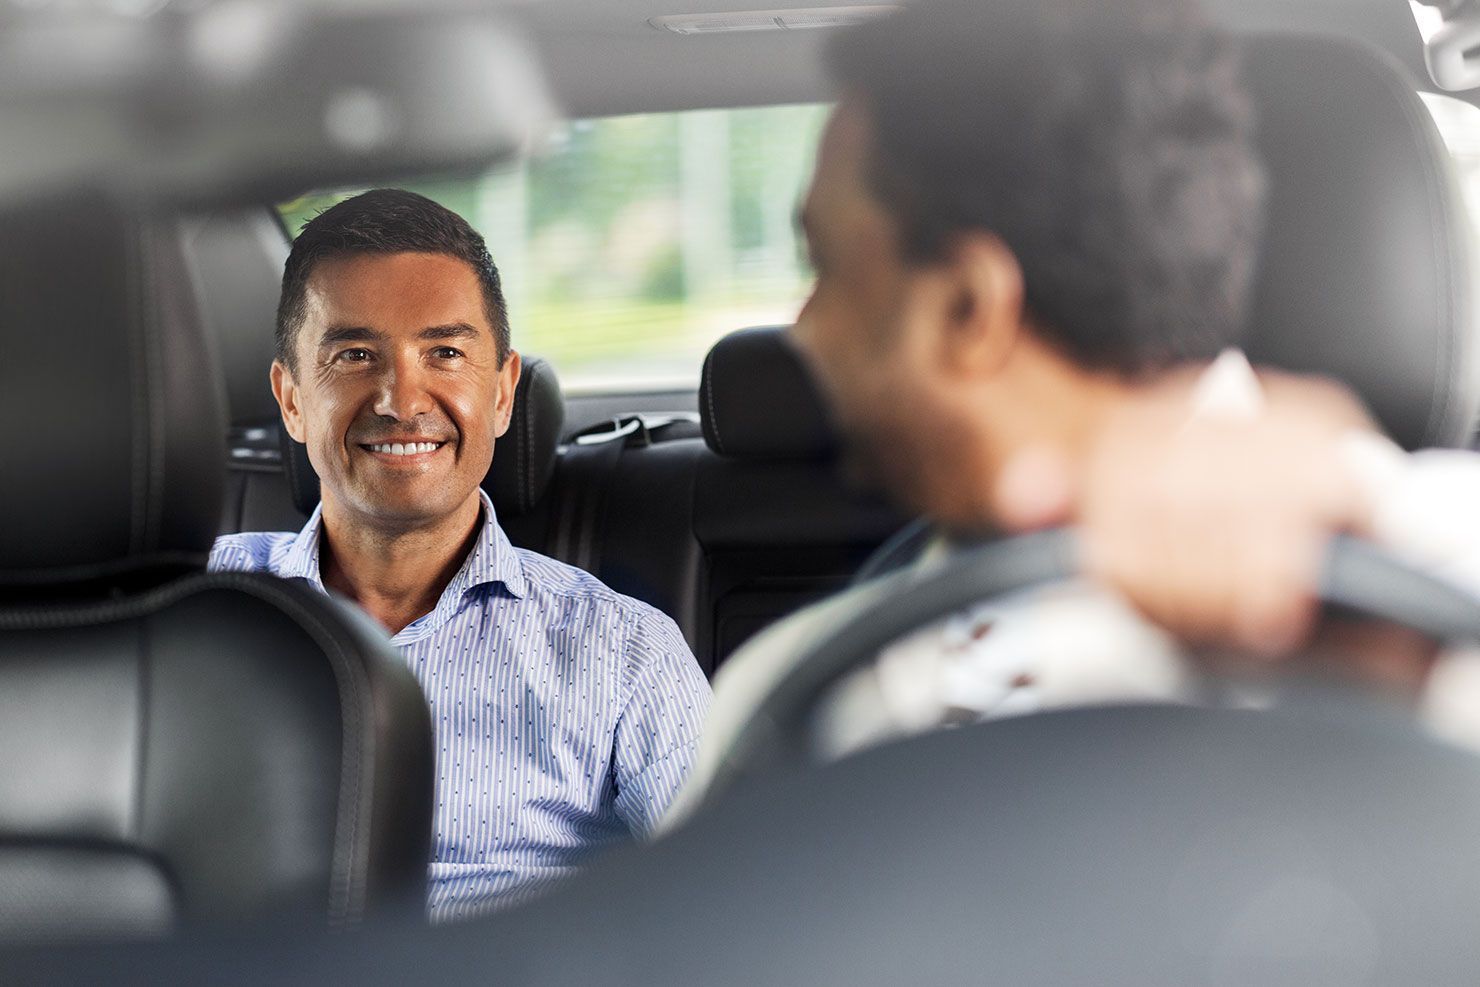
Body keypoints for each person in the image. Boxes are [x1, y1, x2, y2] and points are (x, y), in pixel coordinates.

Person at [662, 0, 1480, 828]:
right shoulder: (792, 697)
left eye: (830, 267)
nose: (805, 331)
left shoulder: (1421, 586)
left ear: (968, 308)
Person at [209, 189, 711, 919]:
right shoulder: (192, 605)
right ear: (290, 398)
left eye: (444, 352)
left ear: (503, 392)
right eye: (354, 354)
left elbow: (746, 906)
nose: (401, 399)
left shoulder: (625, 656)